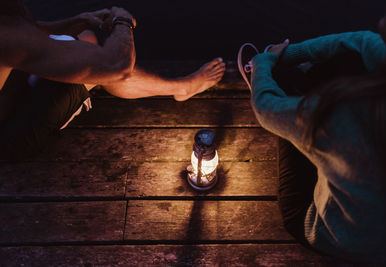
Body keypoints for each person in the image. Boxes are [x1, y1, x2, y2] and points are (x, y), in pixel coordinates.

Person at [238, 0, 386, 263]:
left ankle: (278, 83)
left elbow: (266, 109)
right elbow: (361, 41)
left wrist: (263, 63)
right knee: (347, 59)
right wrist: (290, 54)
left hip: (337, 235)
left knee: (288, 118)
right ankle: (292, 81)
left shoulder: (347, 115)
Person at [0, 0, 225, 159]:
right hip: (12, 137)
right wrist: (124, 22)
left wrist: (79, 20)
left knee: (86, 36)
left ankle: (180, 87)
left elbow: (31, 31)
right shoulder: (4, 36)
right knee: (99, 69)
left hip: (14, 87)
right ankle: (183, 87)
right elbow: (117, 66)